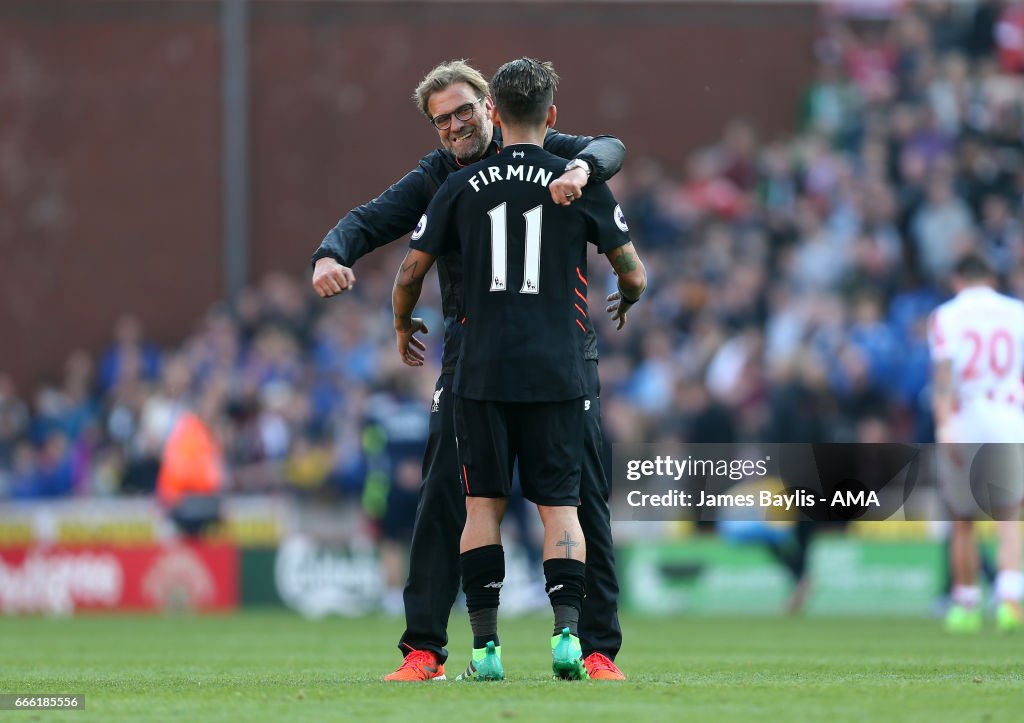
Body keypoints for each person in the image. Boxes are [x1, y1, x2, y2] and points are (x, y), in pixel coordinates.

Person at [310, 60, 629, 681]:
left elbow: (609, 148)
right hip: (471, 357)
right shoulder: (438, 176)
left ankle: (596, 651)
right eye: (442, 120)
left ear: (490, 106)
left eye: (463, 110)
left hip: (562, 355)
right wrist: (329, 254)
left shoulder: (546, 149)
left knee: (584, 497)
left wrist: (583, 170)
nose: (455, 125)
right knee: (441, 500)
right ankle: (424, 651)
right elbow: (372, 219)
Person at [928, 252, 1024, 632]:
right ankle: (1009, 600)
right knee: (1008, 517)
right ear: (992, 279)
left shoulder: (947, 315)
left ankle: (966, 604)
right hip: (1008, 415)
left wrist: (944, 425)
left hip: (966, 414)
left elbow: (944, 374)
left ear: (957, 281)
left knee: (962, 520)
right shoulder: (1017, 311)